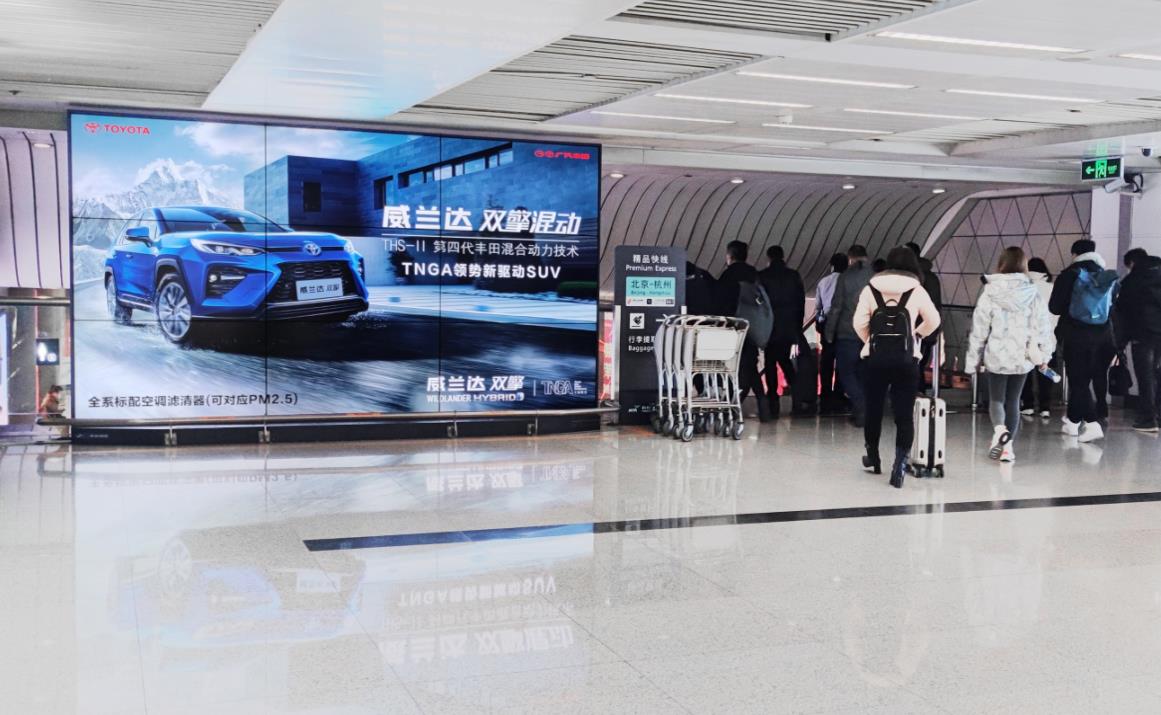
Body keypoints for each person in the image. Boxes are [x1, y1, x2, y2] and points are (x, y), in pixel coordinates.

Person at [853, 247, 941, 487]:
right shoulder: (917, 289)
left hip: (875, 359)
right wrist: (915, 336)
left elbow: (858, 323)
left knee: (873, 409)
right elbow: (934, 320)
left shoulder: (871, 288)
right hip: (906, 359)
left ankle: (873, 456)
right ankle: (900, 463)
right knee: (904, 414)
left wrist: (872, 341)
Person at [965, 248, 1055, 463]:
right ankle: (1008, 449)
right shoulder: (1032, 292)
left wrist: (972, 361)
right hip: (1022, 356)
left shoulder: (990, 291)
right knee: (1013, 400)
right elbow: (1044, 327)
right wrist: (1045, 355)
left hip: (997, 354)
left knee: (997, 399)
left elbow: (979, 329)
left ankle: (999, 431)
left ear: (1001, 264)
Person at [1048, 239, 1117, 442]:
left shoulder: (1070, 275)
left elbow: (1055, 307)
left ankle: (1093, 423)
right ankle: (1073, 422)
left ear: (1074, 254)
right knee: (1085, 380)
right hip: (1104, 336)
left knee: (1078, 380)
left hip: (1076, 335)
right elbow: (1113, 308)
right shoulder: (1107, 277)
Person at [825, 245, 874, 426]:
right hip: (870, 333)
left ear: (850, 258)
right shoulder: (875, 277)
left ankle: (861, 407)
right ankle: (861, 410)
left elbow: (836, 307)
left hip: (848, 332)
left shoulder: (845, 277)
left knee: (846, 372)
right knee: (863, 372)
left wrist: (829, 332)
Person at [717, 240, 766, 419]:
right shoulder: (754, 274)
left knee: (736, 366)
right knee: (750, 365)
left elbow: (722, 301)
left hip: (734, 327)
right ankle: (762, 403)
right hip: (753, 325)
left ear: (729, 256)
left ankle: (731, 404)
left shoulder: (728, 274)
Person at [1115, 247, 1161, 432]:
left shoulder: (1131, 281)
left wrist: (1120, 344)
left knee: (1146, 376)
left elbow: (1123, 314)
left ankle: (1148, 419)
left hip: (1142, 335)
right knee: (1158, 374)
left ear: (1132, 263)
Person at [758, 245, 806, 419]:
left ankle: (773, 402)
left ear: (769, 258)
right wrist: (797, 327)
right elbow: (800, 302)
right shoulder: (793, 276)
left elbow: (759, 303)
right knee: (786, 362)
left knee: (770, 363)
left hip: (770, 327)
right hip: (789, 326)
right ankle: (798, 400)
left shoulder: (762, 276)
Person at [1020, 257, 1058, 418]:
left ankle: (1028, 405)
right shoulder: (1052, 288)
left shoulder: (1022, 287)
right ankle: (1045, 407)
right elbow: (1056, 313)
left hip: (1026, 336)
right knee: (1046, 370)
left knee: (1026, 373)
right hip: (1047, 336)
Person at [906, 241, 943, 392]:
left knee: (911, 366)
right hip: (928, 329)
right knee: (918, 365)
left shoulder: (912, 278)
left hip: (913, 330)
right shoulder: (932, 278)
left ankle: (913, 394)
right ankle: (918, 393)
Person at [816, 253, 848, 413]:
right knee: (842, 360)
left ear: (832, 266)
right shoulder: (848, 282)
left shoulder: (823, 282)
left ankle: (825, 394)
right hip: (844, 324)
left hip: (827, 323)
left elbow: (818, 307)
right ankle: (839, 394)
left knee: (827, 361)